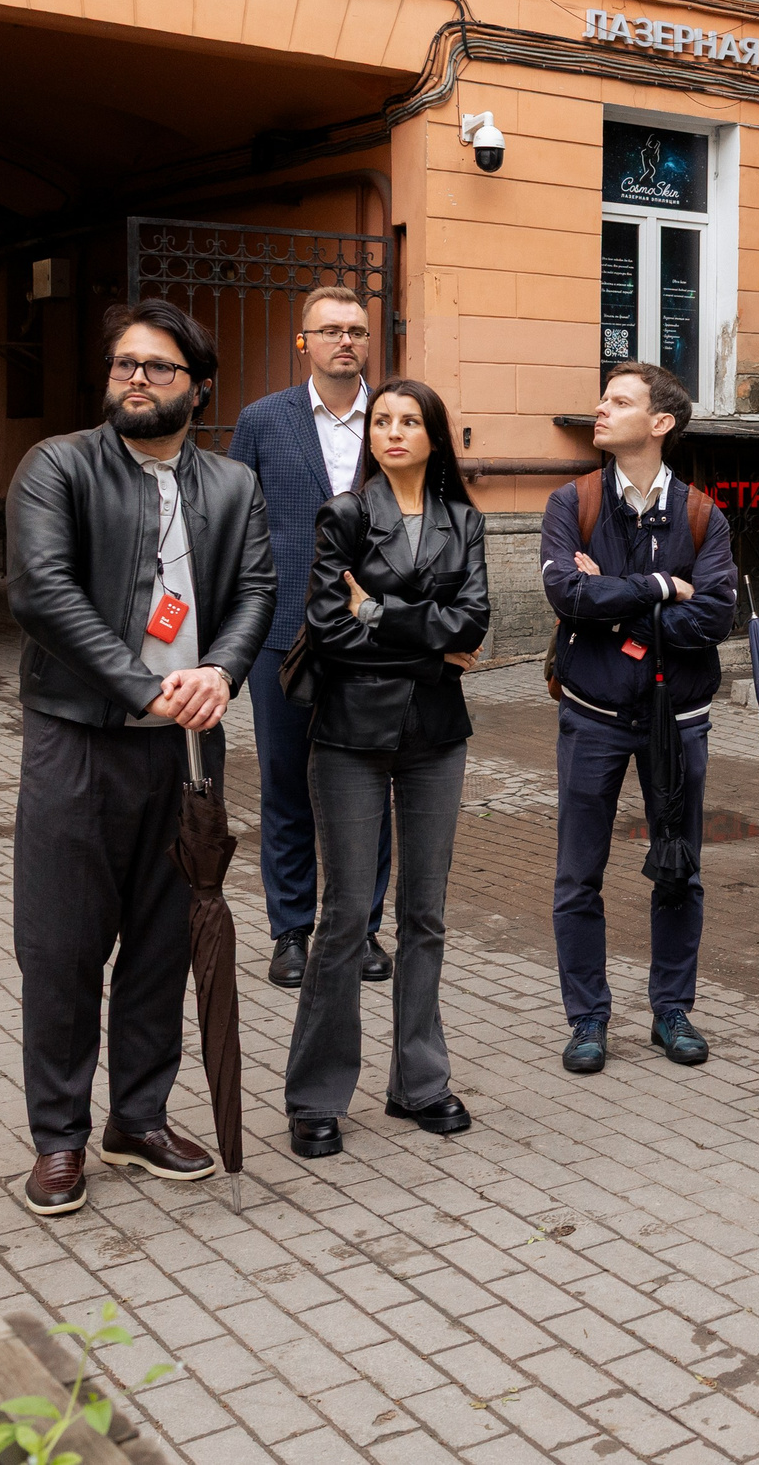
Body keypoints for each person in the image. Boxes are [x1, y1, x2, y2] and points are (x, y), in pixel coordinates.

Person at [4, 300, 274, 1217]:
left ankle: (140, 1117)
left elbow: (258, 589)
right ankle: (59, 1138)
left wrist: (223, 672)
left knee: (165, 940)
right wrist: (139, 683)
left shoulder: (233, 485)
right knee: (64, 944)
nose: (136, 379)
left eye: (158, 367)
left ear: (198, 385)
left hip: (190, 753)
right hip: (78, 740)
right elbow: (43, 591)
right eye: (124, 363)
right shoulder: (60, 467)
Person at [283, 379, 489, 1158]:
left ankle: (419, 1082)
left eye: (409, 421)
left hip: (436, 733)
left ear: (434, 436)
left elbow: (472, 619)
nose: (392, 431)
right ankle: (315, 1094)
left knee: (426, 913)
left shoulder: (464, 522)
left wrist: (378, 610)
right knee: (343, 916)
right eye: (382, 420)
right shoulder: (343, 515)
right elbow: (329, 632)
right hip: (349, 733)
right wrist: (429, 646)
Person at [542, 362, 736, 1074]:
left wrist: (617, 598)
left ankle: (672, 1010)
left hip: (678, 718)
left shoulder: (701, 513)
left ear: (660, 423)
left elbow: (718, 613)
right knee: (578, 874)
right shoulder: (574, 501)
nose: (599, 408)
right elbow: (566, 594)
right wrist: (658, 587)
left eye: (618, 400)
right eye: (602, 397)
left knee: (678, 867)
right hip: (592, 714)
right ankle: (588, 1017)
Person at [227, 285, 390, 990]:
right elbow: (231, 522)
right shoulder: (262, 420)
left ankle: (360, 929)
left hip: (376, 639)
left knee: (368, 787)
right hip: (282, 637)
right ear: (305, 343)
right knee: (288, 787)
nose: (345, 340)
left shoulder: (397, 418)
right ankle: (291, 931)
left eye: (356, 329)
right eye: (329, 330)